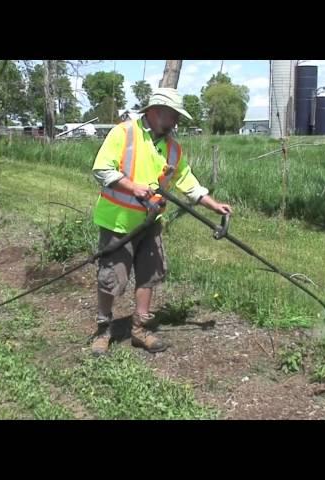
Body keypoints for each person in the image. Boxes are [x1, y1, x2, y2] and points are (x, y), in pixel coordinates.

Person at [90, 88, 232, 356]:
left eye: (178, 117)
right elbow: (102, 169)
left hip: (151, 222)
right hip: (118, 222)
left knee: (148, 275)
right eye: (173, 116)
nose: (176, 122)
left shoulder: (173, 148)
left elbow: (187, 182)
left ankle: (139, 330)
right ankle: (103, 330)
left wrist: (213, 205)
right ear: (155, 112)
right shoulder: (124, 133)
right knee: (111, 278)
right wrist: (134, 188)